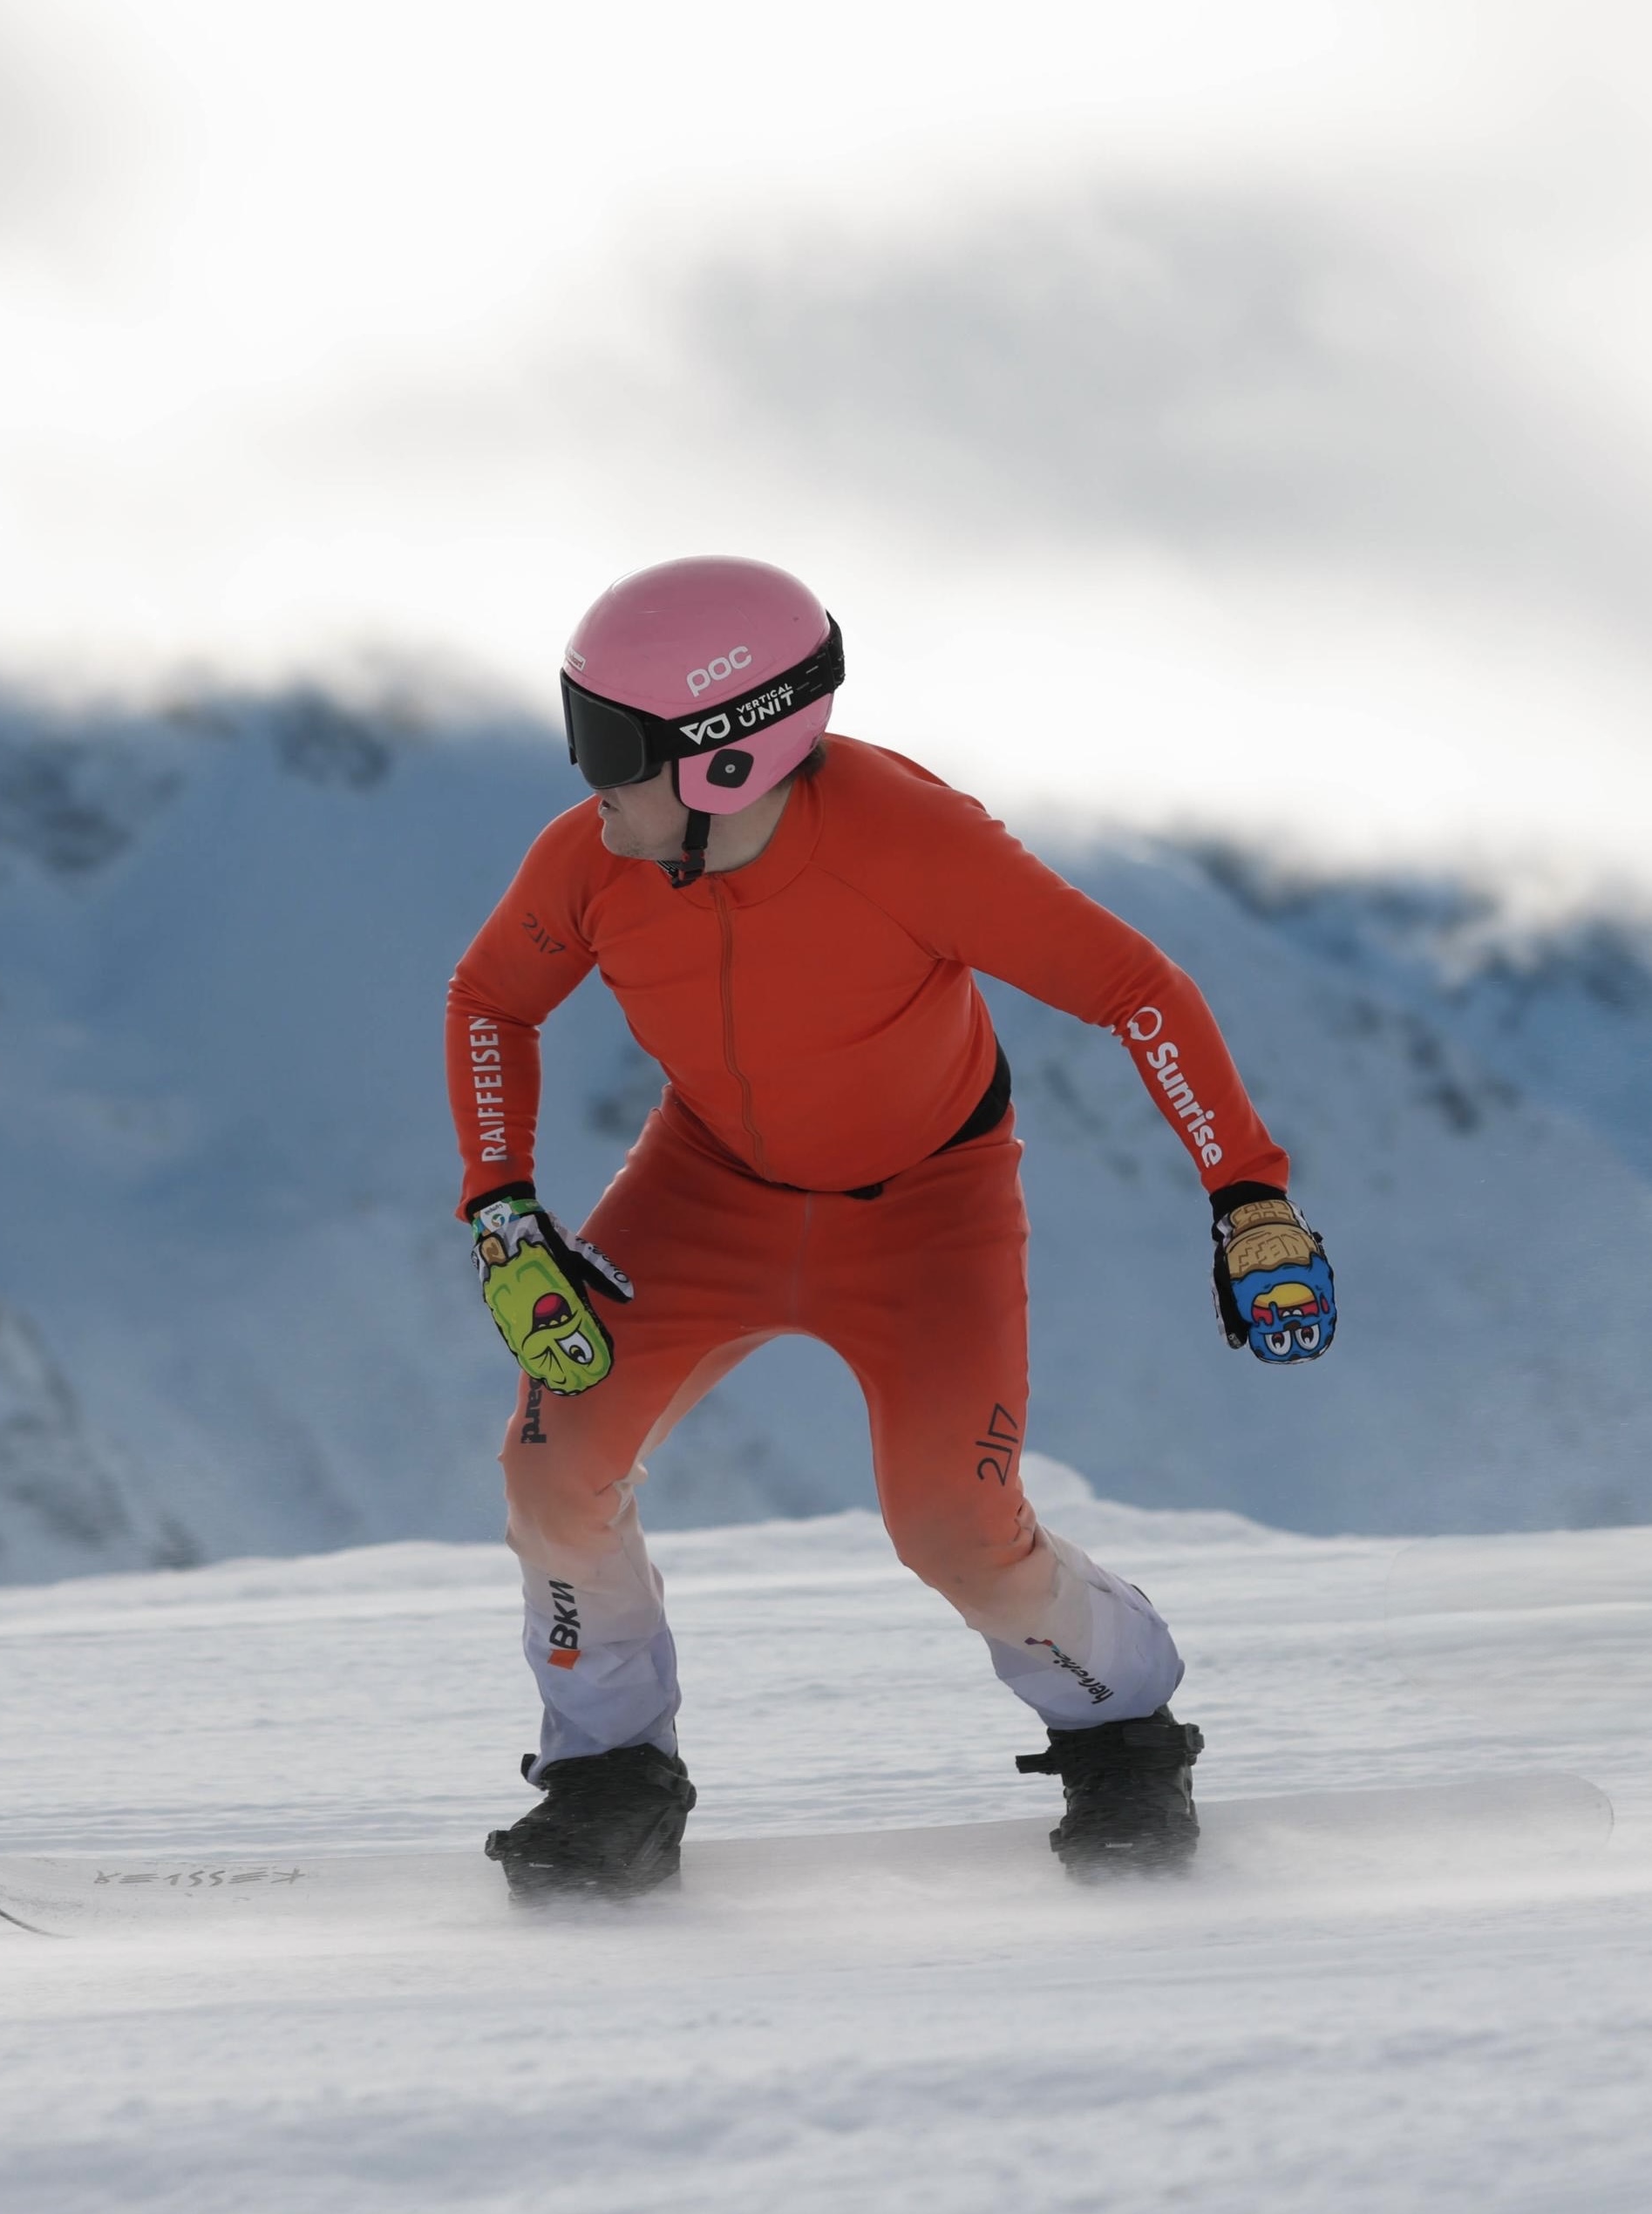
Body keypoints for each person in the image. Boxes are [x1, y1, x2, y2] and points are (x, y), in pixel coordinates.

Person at [444, 556, 1336, 1896]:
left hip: (930, 1210)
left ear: (729, 756)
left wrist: (1248, 1194)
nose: (586, 777)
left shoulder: (909, 842)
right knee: (551, 1470)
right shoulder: (591, 864)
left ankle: (1121, 1728)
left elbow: (1135, 988)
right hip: (705, 1188)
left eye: (610, 744)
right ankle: (610, 1774)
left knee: (956, 1527)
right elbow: (490, 1002)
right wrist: (504, 1207)